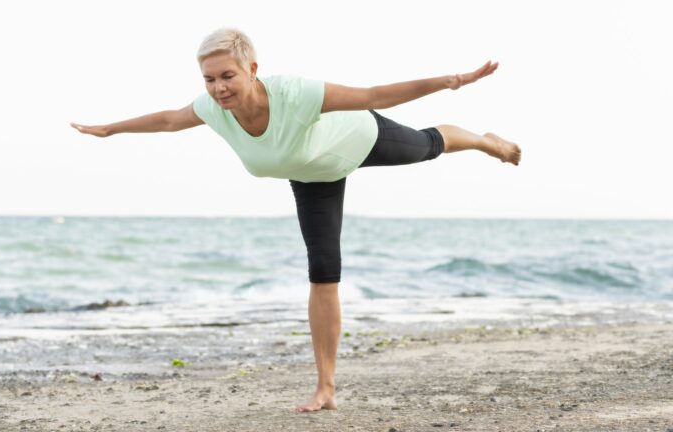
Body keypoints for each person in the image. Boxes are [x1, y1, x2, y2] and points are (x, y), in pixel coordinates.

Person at [71, 27, 521, 413]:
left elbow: (373, 95)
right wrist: (110, 129)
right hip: (313, 175)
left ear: (252, 69)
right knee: (323, 273)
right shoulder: (211, 109)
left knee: (428, 145)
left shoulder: (295, 93)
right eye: (209, 79)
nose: (218, 88)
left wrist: (449, 81)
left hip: (357, 138)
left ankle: (487, 142)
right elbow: (170, 120)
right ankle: (326, 388)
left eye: (227, 76)